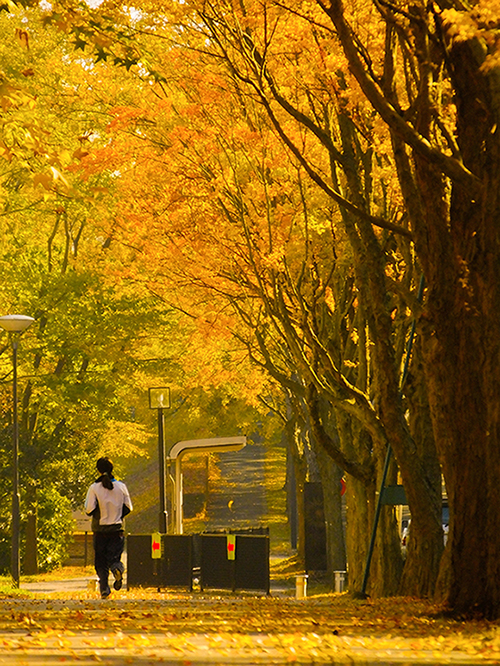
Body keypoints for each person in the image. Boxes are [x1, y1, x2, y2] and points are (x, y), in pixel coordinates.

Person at [85, 457, 133, 599]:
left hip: (100, 531)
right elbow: (129, 507)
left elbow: (89, 509)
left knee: (100, 562)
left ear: (98, 470)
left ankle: (104, 590)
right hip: (117, 529)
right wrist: (118, 516)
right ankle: (117, 569)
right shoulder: (121, 487)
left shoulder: (94, 488)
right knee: (114, 558)